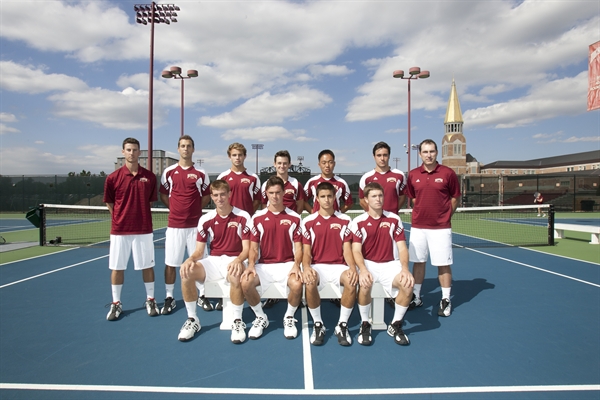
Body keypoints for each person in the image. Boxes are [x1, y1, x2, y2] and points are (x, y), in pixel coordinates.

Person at [177, 180, 252, 343]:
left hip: (235, 259)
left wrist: (239, 260)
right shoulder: (205, 219)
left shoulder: (243, 216)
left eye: (223, 194)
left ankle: (237, 321)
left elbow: (247, 249)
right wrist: (189, 259)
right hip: (213, 260)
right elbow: (198, 251)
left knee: (235, 275)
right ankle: (192, 320)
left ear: (229, 194)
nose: (220, 198)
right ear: (211, 197)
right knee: (186, 273)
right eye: (216, 195)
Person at [350, 182, 414, 346]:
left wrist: (405, 269)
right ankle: (365, 324)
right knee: (365, 284)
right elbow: (356, 250)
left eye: (380, 195)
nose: (378, 199)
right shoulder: (358, 221)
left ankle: (396, 324)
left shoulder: (394, 219)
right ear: (365, 199)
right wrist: (362, 270)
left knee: (408, 284)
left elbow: (402, 248)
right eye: (374, 196)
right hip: (368, 264)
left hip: (390, 265)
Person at [241, 176, 304, 340]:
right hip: (264, 266)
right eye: (271, 193)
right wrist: (251, 265)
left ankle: (289, 317)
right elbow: (253, 247)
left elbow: (299, 248)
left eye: (278, 192)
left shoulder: (295, 218)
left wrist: (297, 265)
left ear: (283, 193)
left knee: (297, 284)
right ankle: (261, 317)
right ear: (266, 194)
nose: (275, 196)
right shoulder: (257, 218)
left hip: (287, 264)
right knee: (245, 283)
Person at [104, 137, 159, 321]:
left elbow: (150, 201)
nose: (131, 153)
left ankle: (150, 299)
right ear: (123, 152)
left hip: (143, 229)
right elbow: (110, 203)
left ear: (140, 153)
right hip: (120, 230)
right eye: (128, 150)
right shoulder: (113, 178)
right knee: (117, 267)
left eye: (135, 150)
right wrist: (120, 218)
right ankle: (116, 303)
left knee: (148, 265)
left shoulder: (150, 177)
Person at [405, 139, 460, 317]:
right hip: (419, 227)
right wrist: (423, 212)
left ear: (437, 153)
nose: (429, 155)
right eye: (425, 152)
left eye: (432, 151)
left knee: (443, 264)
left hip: (441, 229)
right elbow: (413, 198)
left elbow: (455, 197)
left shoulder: (448, 173)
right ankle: (416, 296)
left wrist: (445, 216)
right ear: (420, 154)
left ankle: (445, 299)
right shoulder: (413, 175)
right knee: (418, 261)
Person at [159, 135, 210, 315]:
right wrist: (175, 209)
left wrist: (194, 210)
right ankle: (169, 297)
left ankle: (203, 295)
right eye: (182, 146)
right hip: (174, 227)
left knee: (200, 262)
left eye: (189, 146)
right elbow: (164, 195)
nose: (186, 149)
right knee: (171, 263)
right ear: (178, 149)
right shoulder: (169, 172)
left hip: (195, 227)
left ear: (193, 149)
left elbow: (206, 197)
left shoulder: (201, 173)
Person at [302, 182, 358, 346]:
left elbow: (347, 250)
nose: (326, 200)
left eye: (330, 196)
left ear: (335, 198)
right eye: (323, 196)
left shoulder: (346, 220)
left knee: (351, 281)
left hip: (339, 266)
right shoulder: (308, 221)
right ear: (317, 199)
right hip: (318, 265)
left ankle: (342, 324)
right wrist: (306, 268)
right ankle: (318, 324)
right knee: (310, 282)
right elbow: (306, 252)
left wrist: (353, 268)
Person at [211, 143, 261, 311]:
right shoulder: (223, 176)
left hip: (246, 223)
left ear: (245, 156)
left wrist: (247, 215)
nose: (237, 158)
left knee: (248, 257)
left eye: (240, 154)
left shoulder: (253, 177)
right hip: (228, 223)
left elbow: (257, 200)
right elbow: (219, 197)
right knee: (224, 257)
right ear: (229, 156)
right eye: (234, 155)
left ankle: (249, 291)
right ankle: (222, 296)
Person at [260, 150, 306, 309]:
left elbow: (300, 204)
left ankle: (296, 296)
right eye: (279, 163)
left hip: (290, 226)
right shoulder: (266, 184)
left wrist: (291, 220)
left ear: (289, 165)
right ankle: (272, 296)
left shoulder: (295, 183)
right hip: (272, 225)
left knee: (293, 257)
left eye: (285, 163)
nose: (282, 166)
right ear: (274, 164)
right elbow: (262, 205)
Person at [359, 141, 406, 213]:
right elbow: (362, 200)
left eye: (385, 155)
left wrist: (391, 213)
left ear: (389, 156)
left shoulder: (399, 175)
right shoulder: (366, 178)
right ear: (374, 156)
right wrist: (374, 213)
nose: (382, 158)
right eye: (379, 155)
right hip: (373, 221)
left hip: (393, 221)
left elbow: (402, 197)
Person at [304, 150, 353, 214]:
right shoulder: (312, 182)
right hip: (317, 221)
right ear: (319, 165)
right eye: (324, 163)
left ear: (334, 164)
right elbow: (302, 201)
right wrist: (312, 212)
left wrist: (338, 213)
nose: (327, 165)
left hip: (335, 222)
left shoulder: (341, 183)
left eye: (330, 162)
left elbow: (349, 203)